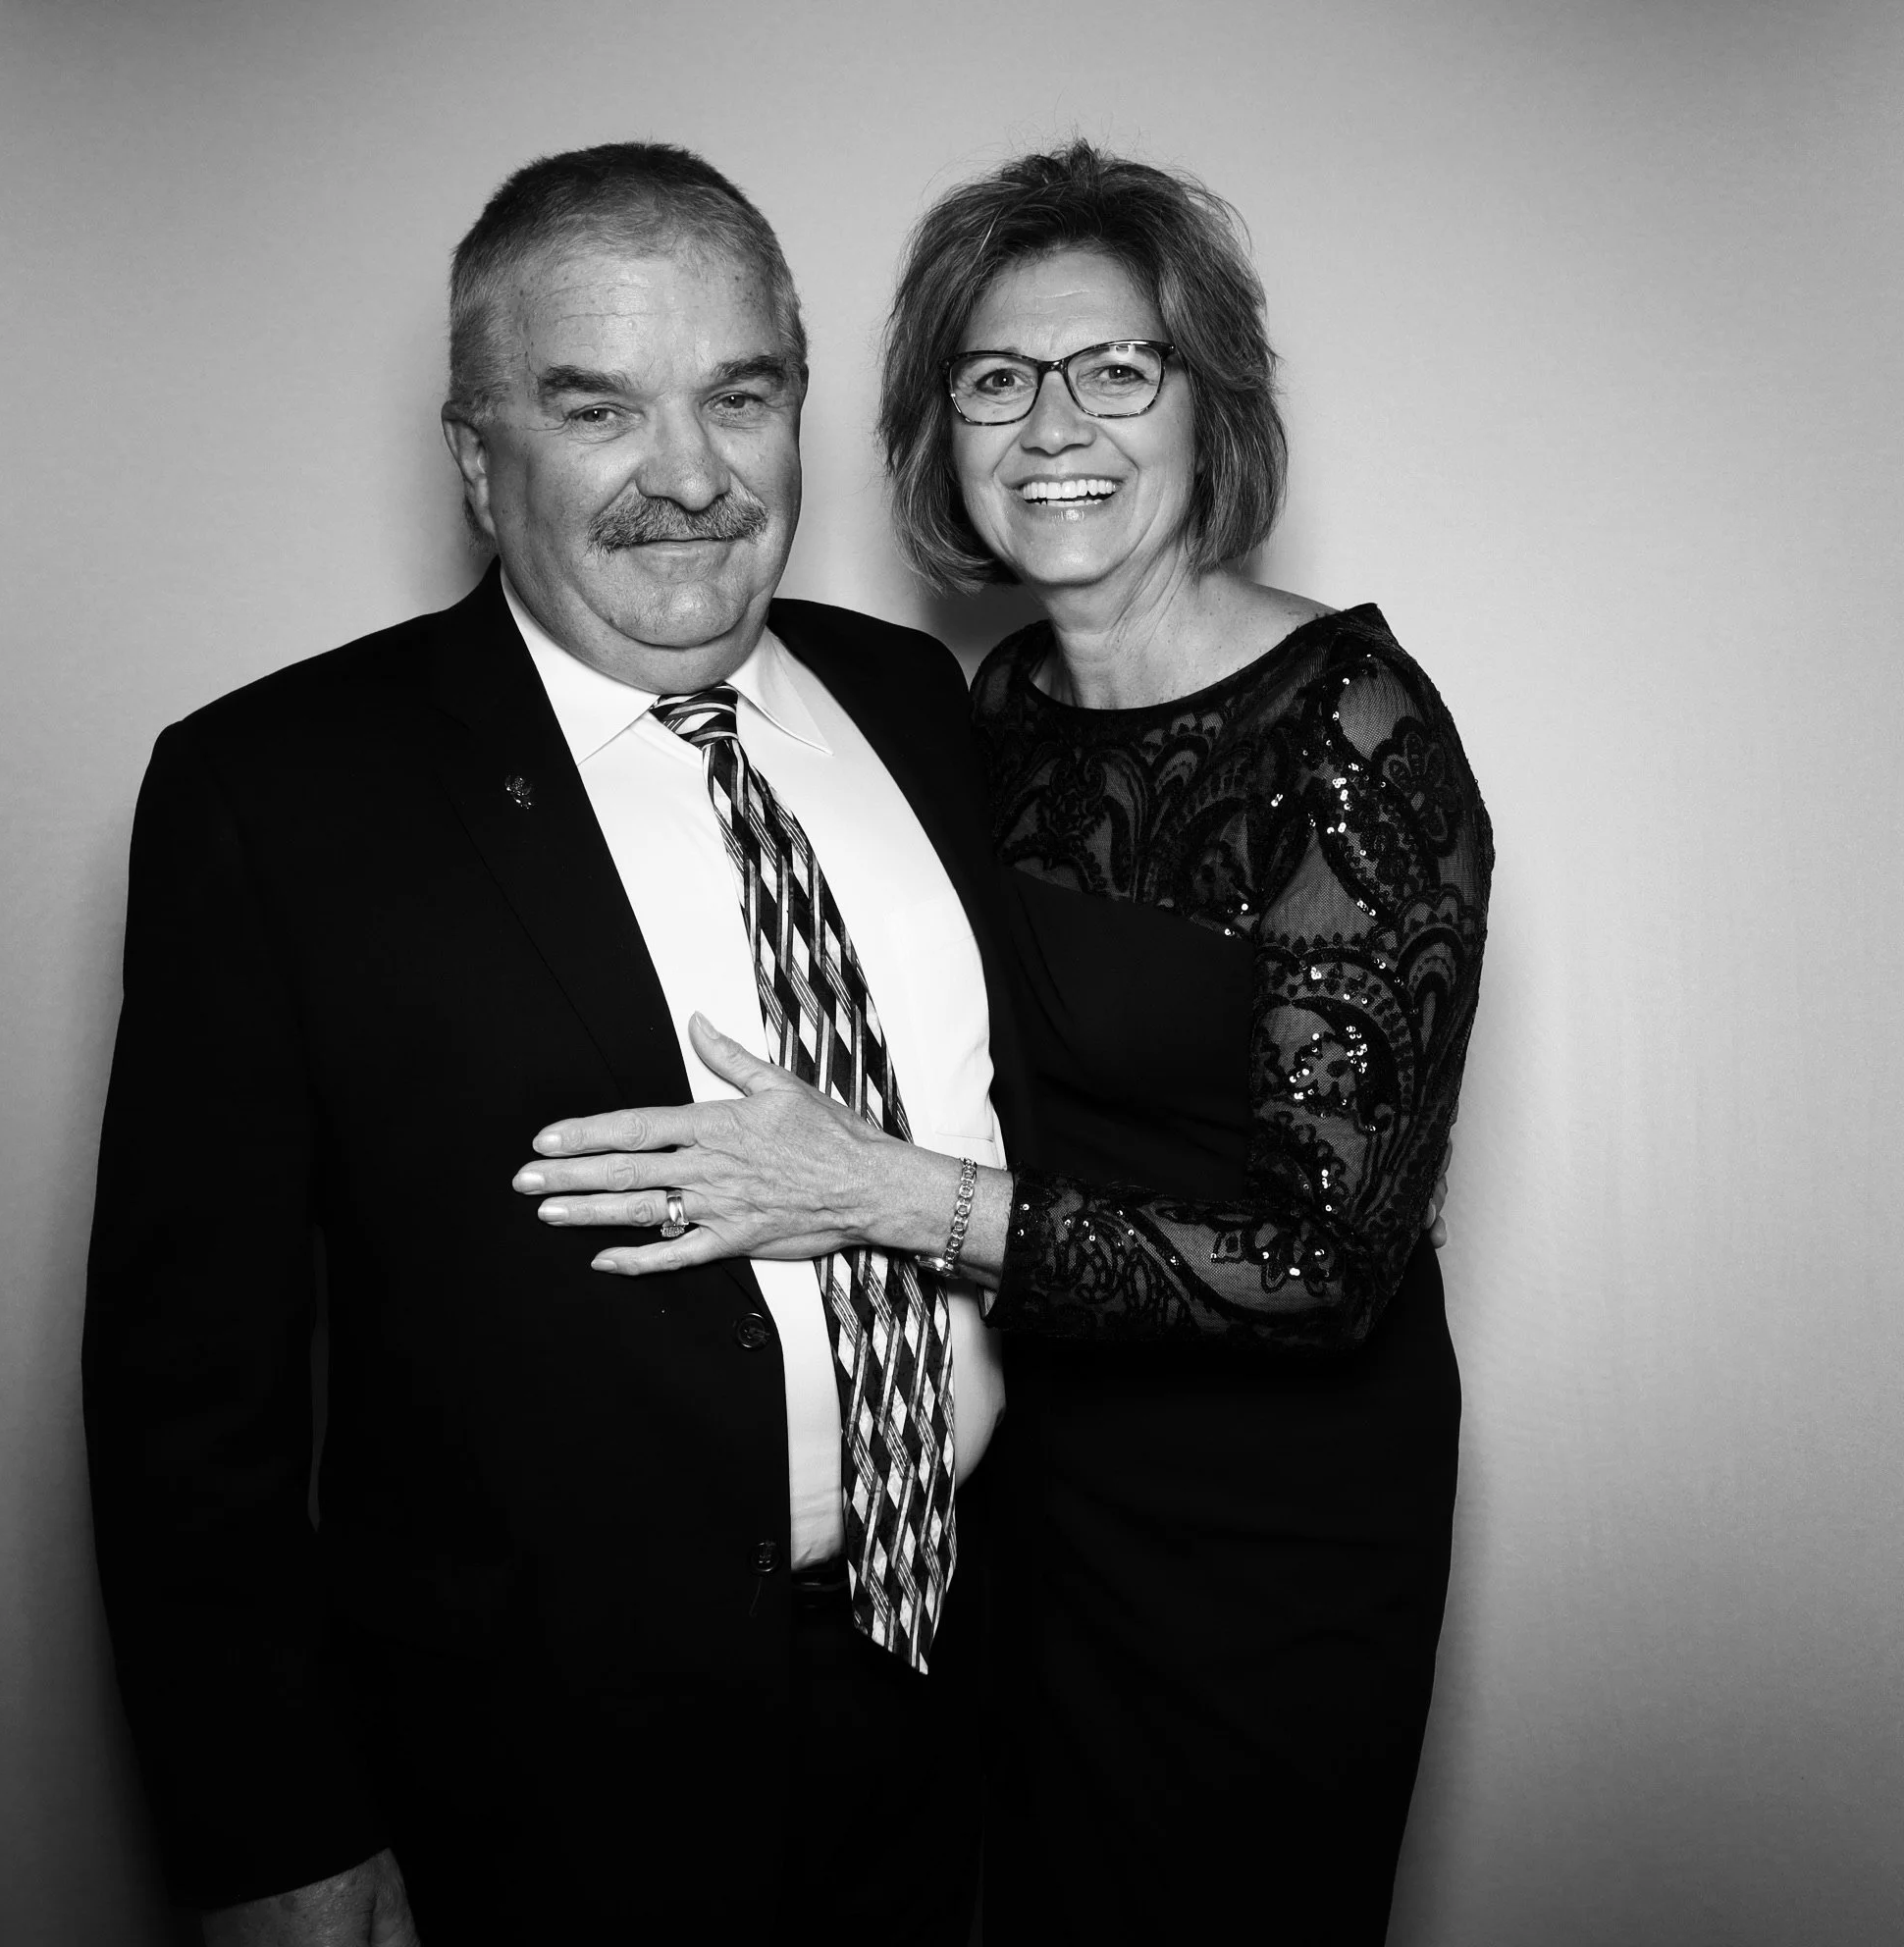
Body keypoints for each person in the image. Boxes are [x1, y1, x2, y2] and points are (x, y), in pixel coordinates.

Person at [516, 141, 1493, 1943]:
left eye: (1116, 368)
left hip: (1274, 1528)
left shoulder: (1353, 733)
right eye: (995, 379)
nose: (1057, 425)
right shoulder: (991, 711)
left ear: (1211, 406)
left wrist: (880, 1194)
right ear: (939, 430)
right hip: (1030, 1499)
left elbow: (1326, 1259)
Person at [81, 141, 1031, 1945]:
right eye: (598, 410)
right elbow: (184, 1397)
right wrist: (276, 1830)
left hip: (950, 1681)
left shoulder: (916, 704)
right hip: (543, 1776)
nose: (690, 478)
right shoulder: (275, 795)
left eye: (739, 397)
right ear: (474, 456)